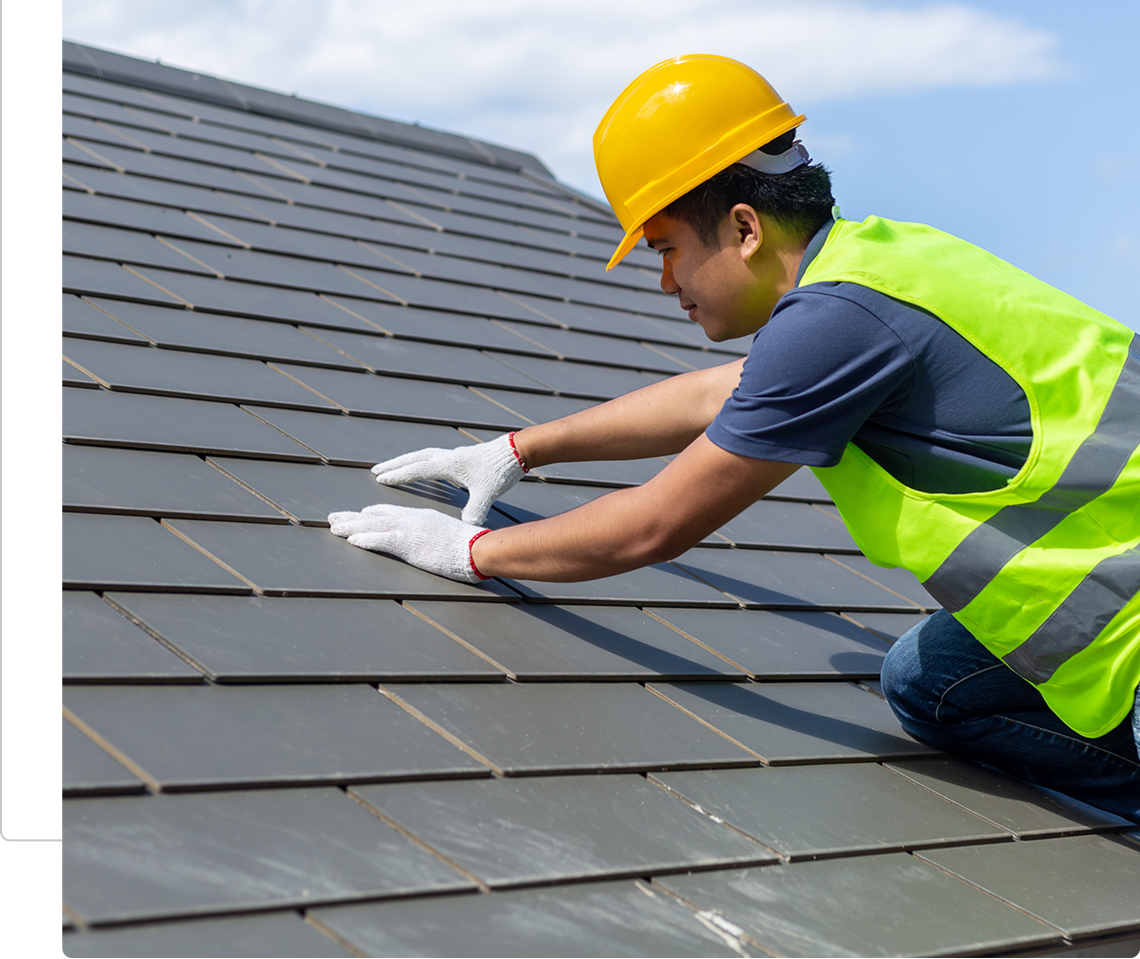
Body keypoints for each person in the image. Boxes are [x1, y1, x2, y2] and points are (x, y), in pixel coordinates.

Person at [329, 54, 1140, 820]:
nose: (665, 282)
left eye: (668, 248)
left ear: (745, 228)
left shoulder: (840, 320)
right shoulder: (876, 265)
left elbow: (656, 525)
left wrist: (470, 555)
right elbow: (722, 395)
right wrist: (518, 450)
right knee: (930, 683)